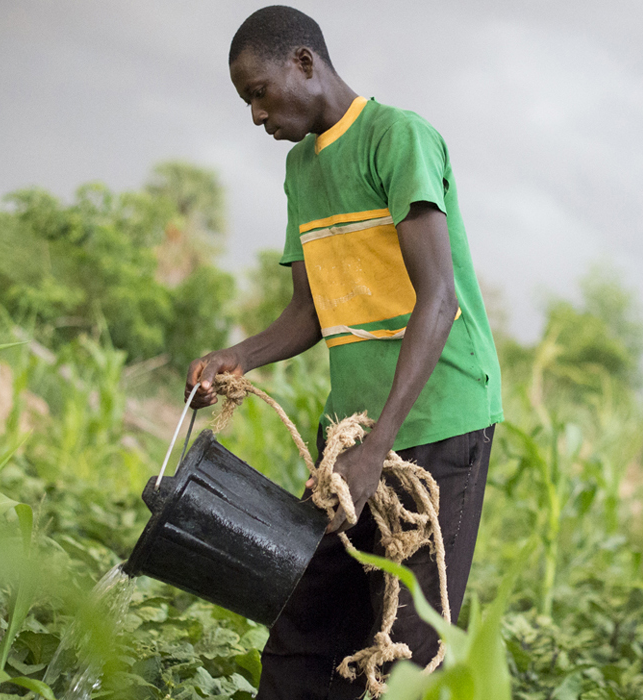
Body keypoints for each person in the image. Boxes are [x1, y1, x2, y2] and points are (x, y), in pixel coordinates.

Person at [185, 6, 503, 697]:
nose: (255, 116)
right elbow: (310, 312)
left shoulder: (398, 138)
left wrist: (376, 446)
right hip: (355, 434)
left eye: (258, 92)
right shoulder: (302, 169)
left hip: (438, 422)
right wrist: (237, 354)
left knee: (406, 653)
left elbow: (439, 300)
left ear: (303, 62)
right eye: (246, 101)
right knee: (304, 634)